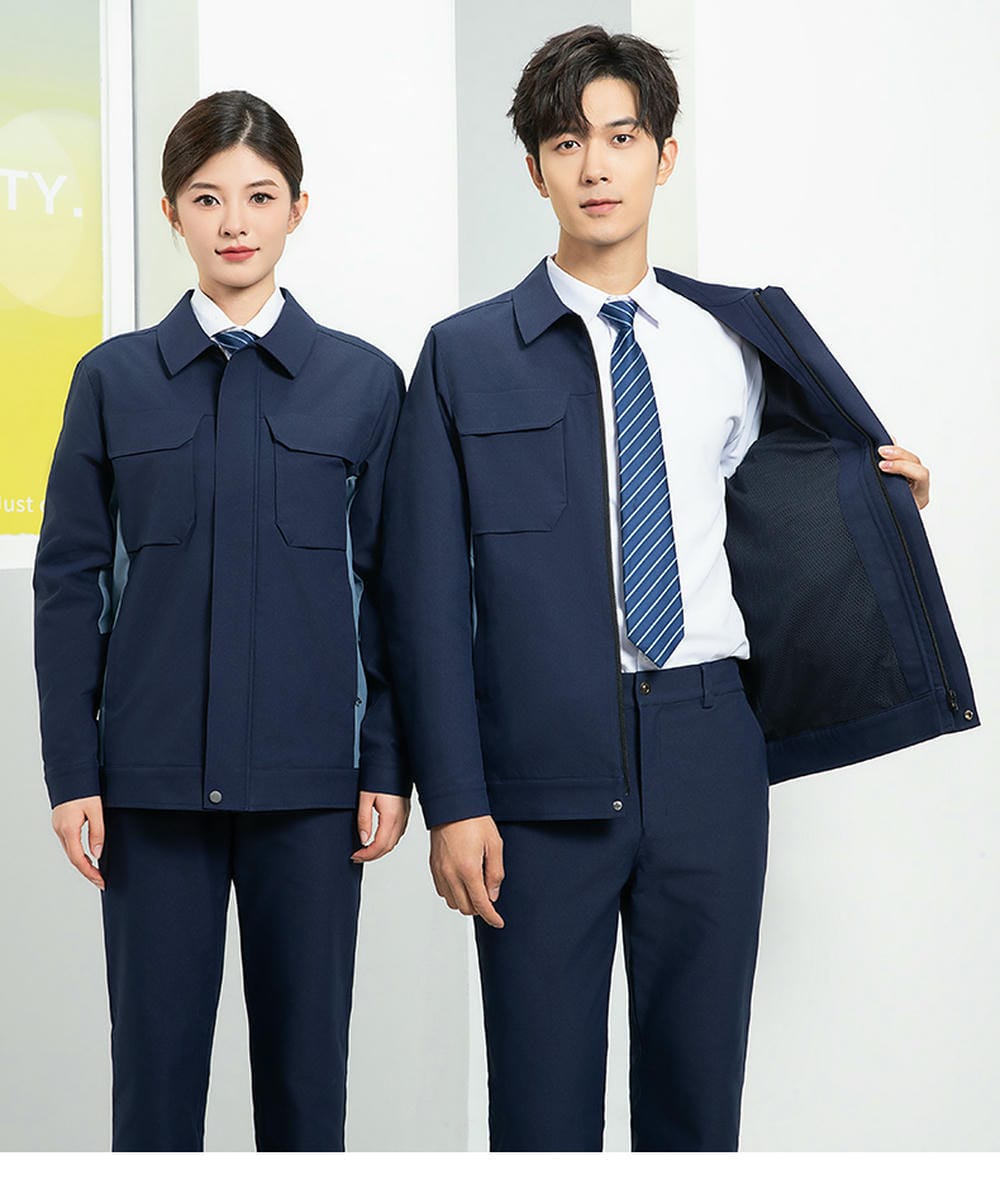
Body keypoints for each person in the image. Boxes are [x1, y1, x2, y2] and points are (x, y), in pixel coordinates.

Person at [381, 26, 978, 1151]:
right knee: (540, 1113)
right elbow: (421, 601)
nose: (596, 166)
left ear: (664, 155)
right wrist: (453, 800)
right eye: (568, 143)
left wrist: (883, 499)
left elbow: (783, 506)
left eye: (621, 138)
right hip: (539, 767)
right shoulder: (464, 356)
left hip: (709, 745)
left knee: (698, 1104)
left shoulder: (732, 340)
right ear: (534, 169)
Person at [33, 90, 410, 1152]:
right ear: (170, 212)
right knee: (153, 1097)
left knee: (306, 1093)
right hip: (150, 791)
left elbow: (394, 592)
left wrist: (385, 764)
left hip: (312, 793)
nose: (234, 222)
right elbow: (68, 584)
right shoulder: (112, 381)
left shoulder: (363, 384)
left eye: (259, 196)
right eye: (206, 198)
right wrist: (73, 773)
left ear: (298, 209)